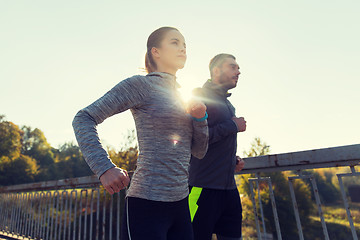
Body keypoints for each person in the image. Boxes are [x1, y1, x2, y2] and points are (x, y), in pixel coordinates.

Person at [72, 26, 209, 240]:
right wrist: (104, 168)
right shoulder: (140, 85)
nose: (183, 48)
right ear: (156, 51)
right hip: (147, 203)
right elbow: (83, 118)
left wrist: (201, 118)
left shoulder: (184, 97)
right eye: (175, 42)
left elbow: (199, 151)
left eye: (185, 45)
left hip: (181, 202)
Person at [188, 53, 246, 240]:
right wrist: (232, 126)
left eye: (238, 68)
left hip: (229, 190)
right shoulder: (199, 97)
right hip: (201, 188)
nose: (238, 71)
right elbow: (194, 140)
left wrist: (232, 160)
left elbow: (217, 143)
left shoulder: (227, 104)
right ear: (216, 70)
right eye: (232, 67)